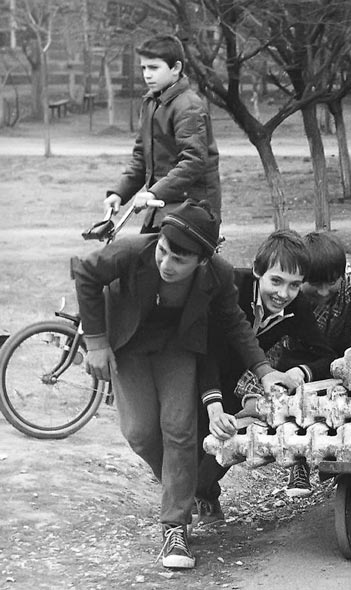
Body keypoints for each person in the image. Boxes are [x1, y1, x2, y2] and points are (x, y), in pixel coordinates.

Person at [72, 200, 291, 569]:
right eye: (163, 251)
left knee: (179, 431)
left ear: (201, 261)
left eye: (178, 259)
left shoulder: (217, 275)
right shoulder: (132, 251)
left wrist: (265, 371)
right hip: (130, 346)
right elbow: (85, 272)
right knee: (140, 432)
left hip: (178, 348)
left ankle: (175, 528)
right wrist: (95, 343)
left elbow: (235, 324)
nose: (166, 263)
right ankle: (194, 488)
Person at [195, 230, 337, 523]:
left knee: (224, 441)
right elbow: (206, 349)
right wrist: (213, 402)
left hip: (235, 378)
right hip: (197, 368)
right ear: (258, 271)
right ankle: (182, 504)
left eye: (294, 285)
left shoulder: (295, 307)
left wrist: (301, 371)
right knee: (191, 438)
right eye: (276, 280)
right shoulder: (232, 286)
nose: (283, 294)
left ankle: (204, 492)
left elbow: (327, 355)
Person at [104, 35, 222, 232]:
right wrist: (119, 193)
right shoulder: (151, 103)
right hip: (162, 209)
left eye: (153, 68)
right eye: (143, 68)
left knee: (150, 259)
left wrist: (153, 194)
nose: (147, 75)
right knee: (132, 258)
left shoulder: (189, 106)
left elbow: (193, 162)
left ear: (175, 68)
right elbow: (141, 158)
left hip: (192, 212)